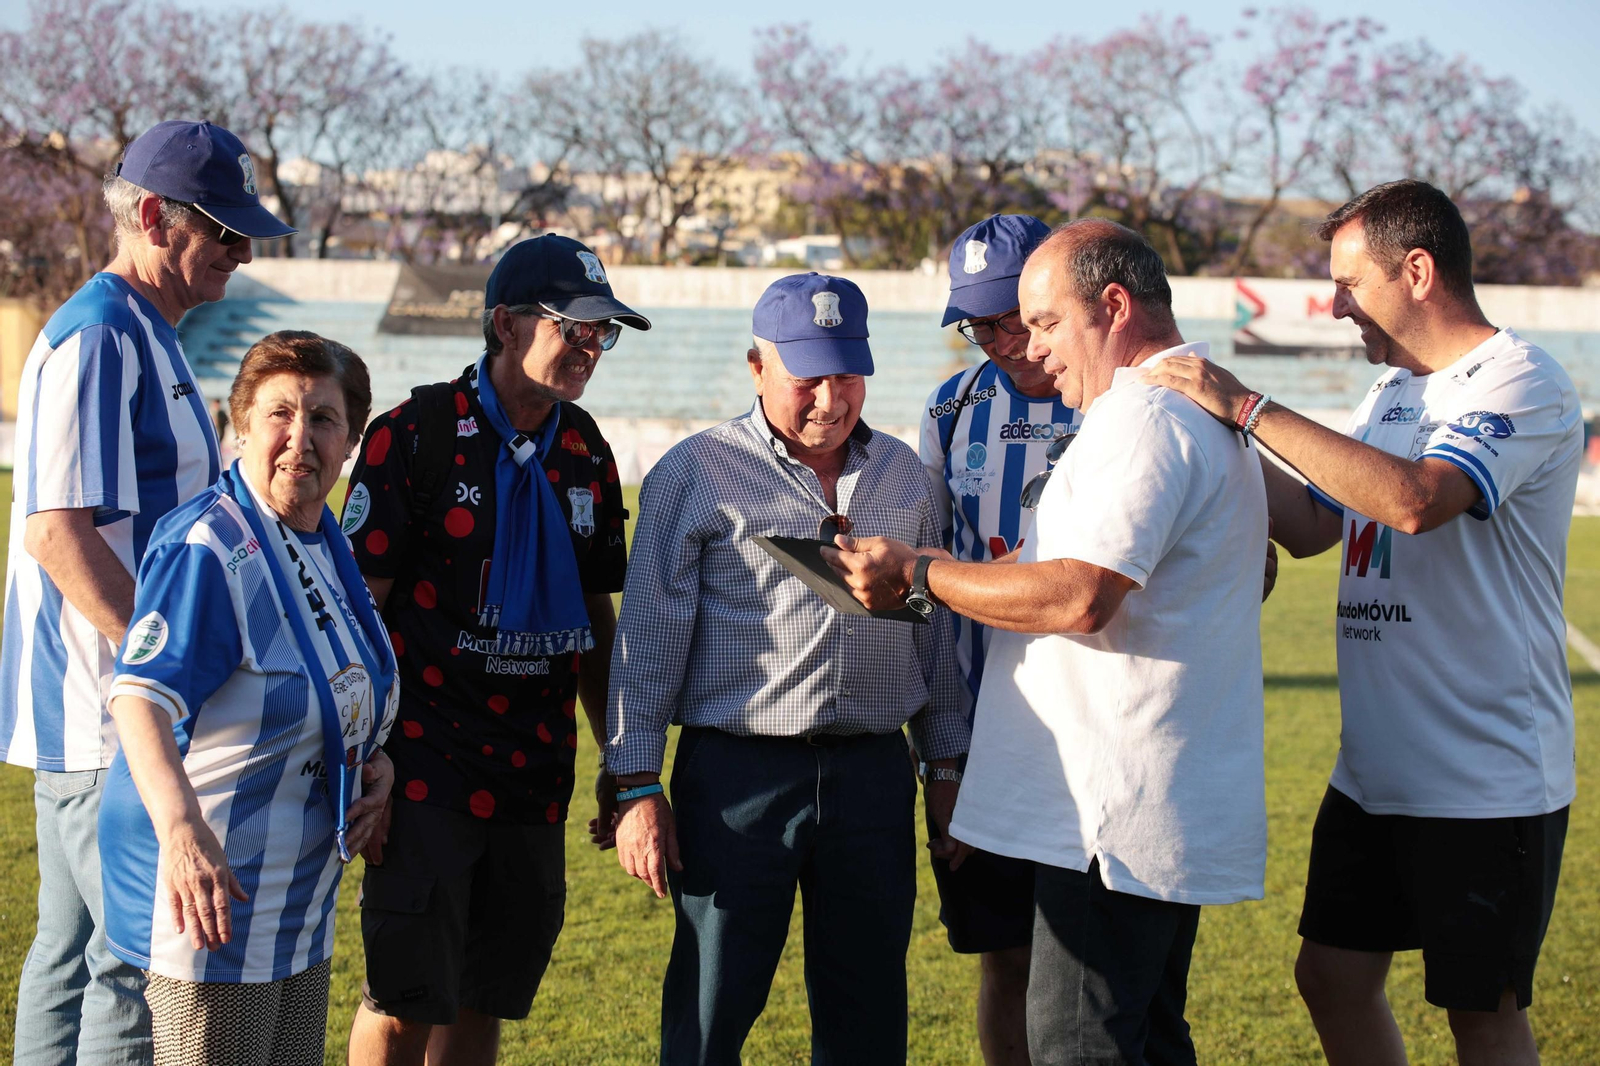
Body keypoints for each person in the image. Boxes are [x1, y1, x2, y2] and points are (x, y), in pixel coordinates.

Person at [1143, 179, 1580, 1066]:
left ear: (1417, 271)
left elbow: (1416, 502)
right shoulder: (1389, 393)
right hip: (1375, 771)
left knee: (1481, 1014)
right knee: (1332, 977)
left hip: (1485, 777)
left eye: (1350, 284)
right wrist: (1204, 433)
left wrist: (1249, 407)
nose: (1335, 306)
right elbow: (1311, 525)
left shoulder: (1518, 377)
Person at [826, 221, 1269, 1066]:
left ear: (1111, 305)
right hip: (1106, 795)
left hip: (1106, 809)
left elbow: (1078, 594)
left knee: (1079, 1045)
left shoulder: (1140, 415)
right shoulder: (1182, 406)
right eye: (1002, 326)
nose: (1027, 347)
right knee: (1139, 1035)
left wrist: (920, 574)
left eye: (1043, 322)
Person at [607, 272, 968, 1065]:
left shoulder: (907, 477)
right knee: (709, 1013)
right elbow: (649, 639)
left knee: (869, 1016)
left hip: (874, 777)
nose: (830, 400)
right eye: (808, 377)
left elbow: (933, 639)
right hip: (738, 781)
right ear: (756, 367)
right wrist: (635, 785)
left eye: (847, 375)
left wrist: (944, 762)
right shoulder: (696, 471)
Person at [0, 119, 294, 1066]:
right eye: (226, 233)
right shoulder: (100, 336)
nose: (241, 257)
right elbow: (57, 529)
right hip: (103, 716)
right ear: (159, 218)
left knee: (76, 953)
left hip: (102, 712)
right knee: (129, 963)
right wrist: (155, 666)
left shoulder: (145, 331)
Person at [344, 234, 642, 1066]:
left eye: (602, 332)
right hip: (423, 766)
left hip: (535, 775)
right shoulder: (413, 434)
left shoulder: (585, 452)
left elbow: (591, 620)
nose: (590, 347)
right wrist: (362, 757)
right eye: (573, 327)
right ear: (506, 326)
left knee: (485, 1002)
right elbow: (359, 610)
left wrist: (621, 758)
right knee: (403, 1001)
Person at [97, 331, 398, 1065]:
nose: (300, 438)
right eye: (279, 414)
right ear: (240, 425)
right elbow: (139, 698)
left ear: (351, 440)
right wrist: (180, 828)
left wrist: (371, 761)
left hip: (298, 908)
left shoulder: (327, 542)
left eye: (324, 418)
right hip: (219, 910)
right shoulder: (211, 545)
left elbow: (339, 686)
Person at [919, 213, 1079, 1066]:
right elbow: (931, 582)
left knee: (1098, 973)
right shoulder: (951, 408)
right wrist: (944, 762)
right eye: (980, 323)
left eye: (1014, 317)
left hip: (1098, 732)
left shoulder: (1120, 397)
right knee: (1006, 960)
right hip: (984, 734)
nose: (1001, 339)